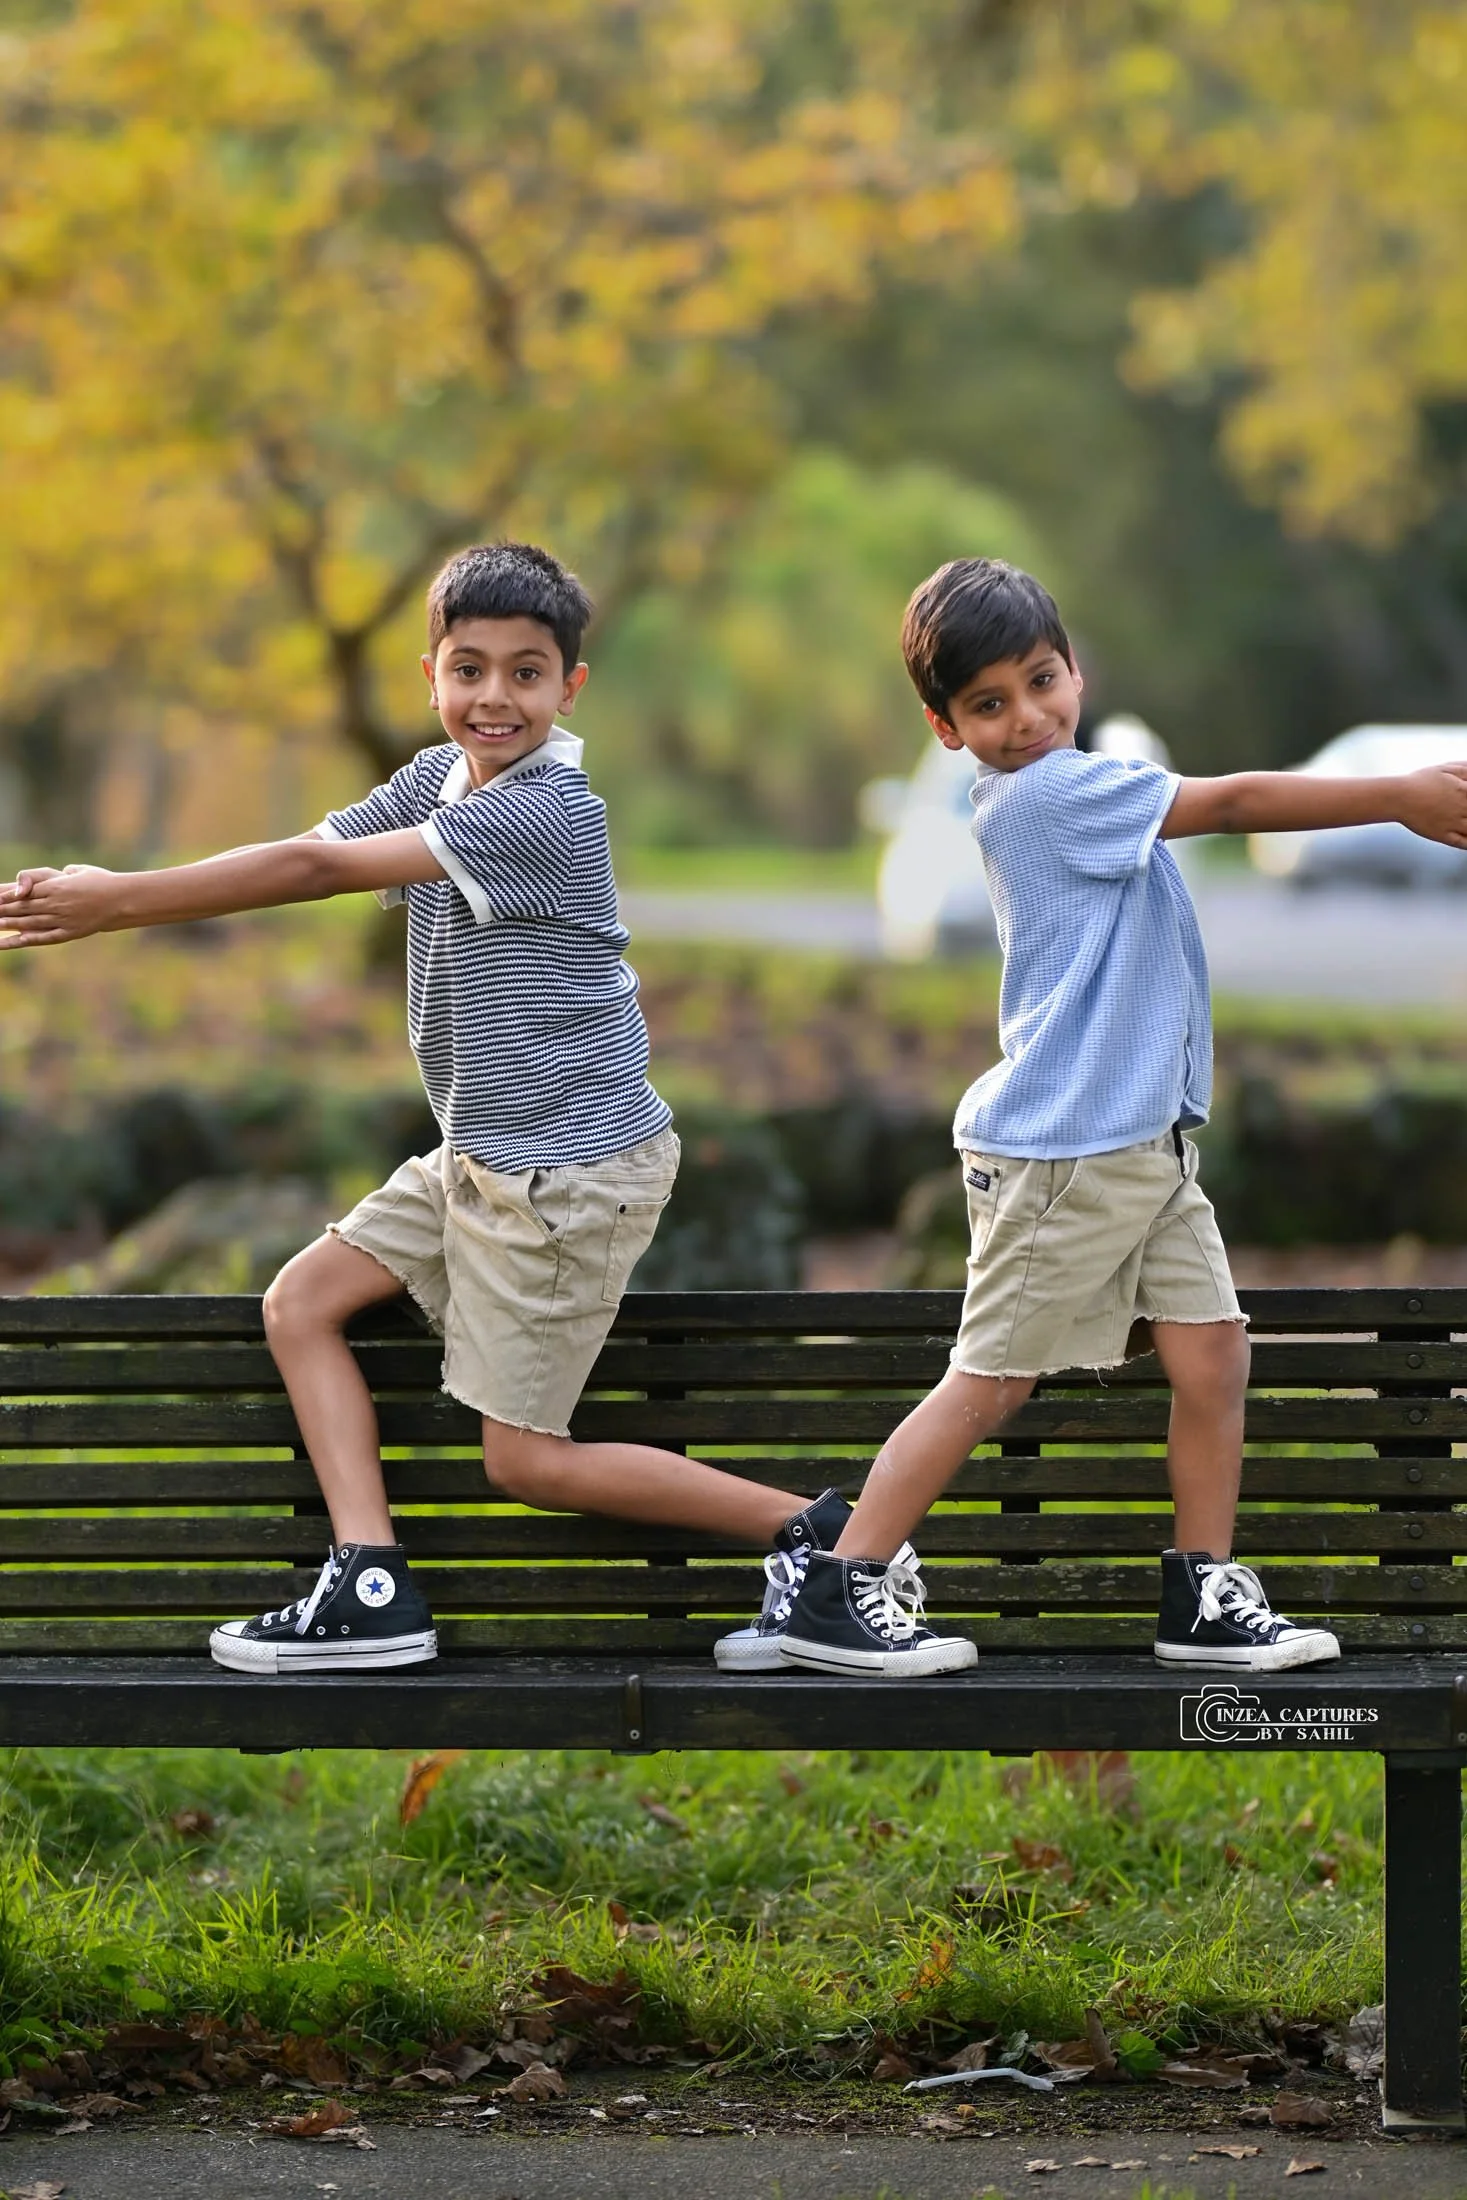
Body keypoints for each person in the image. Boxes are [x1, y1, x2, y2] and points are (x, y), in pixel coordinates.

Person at [0, 541, 857, 1674]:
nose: (494, 697)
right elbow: (309, 847)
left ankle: (823, 1541)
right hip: (480, 1156)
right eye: (469, 669)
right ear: (431, 675)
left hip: (569, 1174)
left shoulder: (548, 812)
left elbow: (315, 878)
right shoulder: (439, 778)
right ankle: (372, 1580)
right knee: (302, 1304)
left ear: (570, 688)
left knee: (525, 1462)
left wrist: (120, 903)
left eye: (525, 673)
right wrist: (123, 889)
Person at [774, 556, 1467, 1680]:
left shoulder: (1075, 783)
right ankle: (840, 1582)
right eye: (987, 704)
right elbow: (1232, 805)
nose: (1026, 718)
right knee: (990, 1381)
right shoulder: (1050, 796)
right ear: (946, 730)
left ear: (1074, 672)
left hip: (1143, 1151)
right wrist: (1396, 795)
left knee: (1214, 1356)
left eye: (1040, 682)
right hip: (1066, 1156)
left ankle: (1201, 1592)